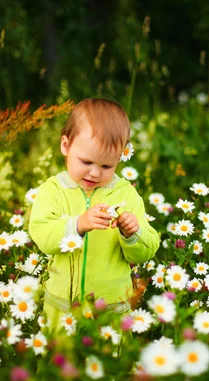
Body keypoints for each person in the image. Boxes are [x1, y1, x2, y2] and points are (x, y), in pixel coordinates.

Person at [29, 98, 160, 330]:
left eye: (107, 166)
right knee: (58, 363)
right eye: (86, 161)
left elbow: (147, 249)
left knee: (111, 364)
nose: (95, 173)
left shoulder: (125, 194)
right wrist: (77, 224)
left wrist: (133, 232)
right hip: (62, 310)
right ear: (65, 146)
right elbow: (41, 234)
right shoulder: (54, 190)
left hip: (110, 311)